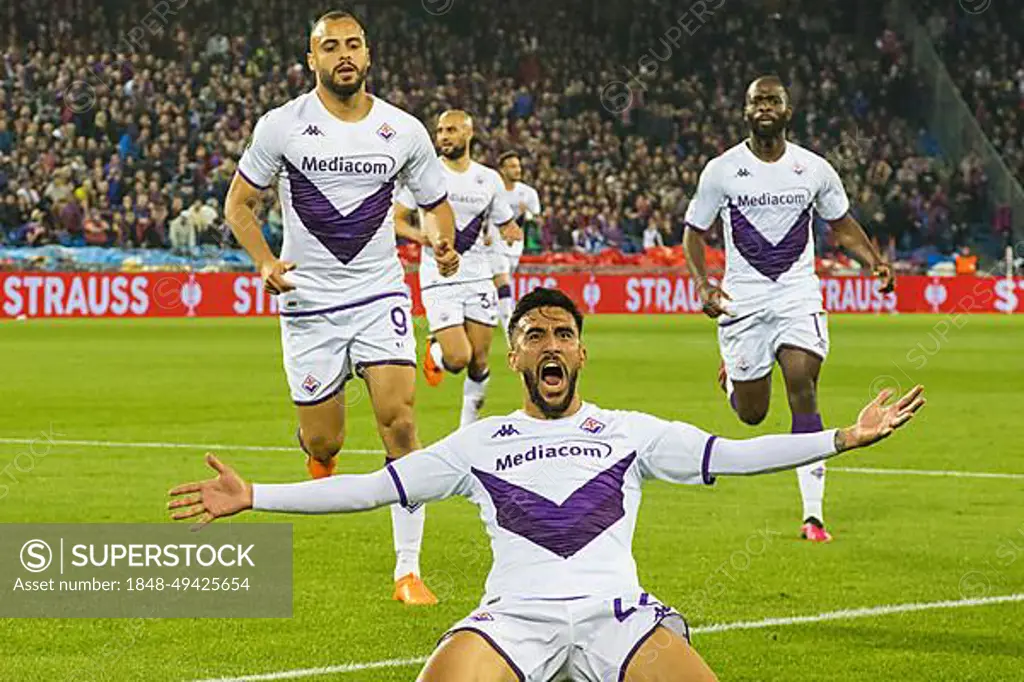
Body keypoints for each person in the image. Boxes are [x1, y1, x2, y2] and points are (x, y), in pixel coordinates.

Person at [169, 287, 925, 682]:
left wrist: (843, 438)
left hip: (617, 614)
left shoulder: (629, 431)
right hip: (513, 617)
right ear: (518, 355)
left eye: (564, 334)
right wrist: (257, 495)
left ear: (582, 355)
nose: (551, 345)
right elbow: (370, 487)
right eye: (536, 335)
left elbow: (732, 453)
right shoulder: (478, 444)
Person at [223, 10, 460, 605]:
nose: (344, 54)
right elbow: (238, 205)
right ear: (312, 60)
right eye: (331, 47)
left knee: (400, 422)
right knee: (325, 442)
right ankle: (314, 448)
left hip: (380, 292)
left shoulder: (403, 129)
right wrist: (264, 263)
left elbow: (435, 202)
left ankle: (407, 571)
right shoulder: (282, 127)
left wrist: (444, 239)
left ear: (369, 54)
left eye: (353, 44)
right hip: (308, 302)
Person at [683, 75, 895, 543]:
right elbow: (694, 232)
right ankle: (733, 384)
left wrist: (875, 262)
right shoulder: (722, 170)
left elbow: (842, 226)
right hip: (743, 301)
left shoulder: (813, 168)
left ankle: (813, 515)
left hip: (796, 293)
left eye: (772, 100)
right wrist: (703, 284)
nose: (763, 106)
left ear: (787, 110)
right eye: (756, 100)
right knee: (752, 414)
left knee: (802, 381)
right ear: (745, 111)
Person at [394, 110, 519, 427]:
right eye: (439, 131)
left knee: (478, 362)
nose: (444, 136)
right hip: (440, 278)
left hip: (478, 278)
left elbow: (505, 220)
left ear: (468, 133)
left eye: (451, 130)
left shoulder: (489, 179)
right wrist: (420, 236)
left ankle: (467, 429)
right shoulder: (425, 173)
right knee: (458, 357)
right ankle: (436, 353)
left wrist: (511, 231)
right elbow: (395, 218)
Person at [488, 151, 542, 340]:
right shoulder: (493, 190)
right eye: (512, 166)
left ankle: (489, 315)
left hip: (515, 247)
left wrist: (527, 215)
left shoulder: (528, 193)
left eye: (518, 166)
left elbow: (537, 219)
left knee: (501, 285)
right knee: (504, 284)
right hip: (494, 244)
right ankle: (511, 332)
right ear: (502, 170)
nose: (517, 170)